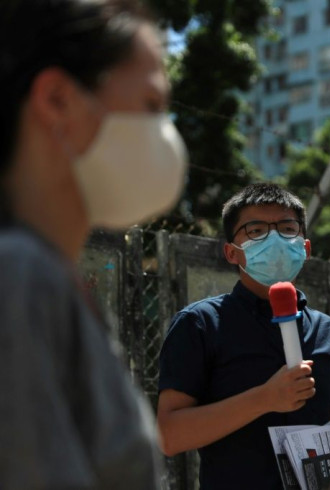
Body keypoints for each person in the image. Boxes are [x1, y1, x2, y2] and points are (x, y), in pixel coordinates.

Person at [0, 0, 188, 488]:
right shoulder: (20, 276)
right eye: (151, 106)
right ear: (58, 101)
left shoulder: (46, 278)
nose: (167, 136)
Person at [157, 182, 330, 490]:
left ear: (305, 247)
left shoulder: (326, 330)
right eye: (256, 231)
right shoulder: (200, 325)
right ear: (232, 253)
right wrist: (265, 399)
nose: (275, 239)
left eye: (287, 228)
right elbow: (169, 435)